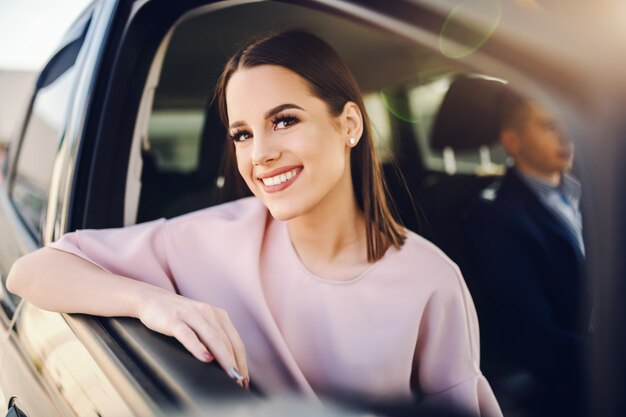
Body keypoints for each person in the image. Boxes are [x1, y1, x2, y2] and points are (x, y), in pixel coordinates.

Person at [7, 31, 502, 416]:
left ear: (349, 125)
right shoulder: (210, 238)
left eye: (284, 120)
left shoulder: (430, 280)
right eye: (242, 134)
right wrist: (150, 301)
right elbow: (29, 273)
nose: (261, 154)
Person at [464, 87, 589, 416]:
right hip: (573, 372)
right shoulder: (497, 218)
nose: (566, 136)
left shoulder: (592, 189)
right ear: (512, 141)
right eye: (549, 126)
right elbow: (533, 334)